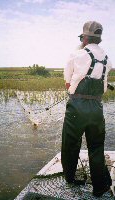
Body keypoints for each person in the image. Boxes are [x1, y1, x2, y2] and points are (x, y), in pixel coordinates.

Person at [61, 21, 112, 197]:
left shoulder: (76, 55)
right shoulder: (107, 59)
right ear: (98, 39)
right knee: (96, 147)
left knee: (70, 145)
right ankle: (99, 187)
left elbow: (68, 82)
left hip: (76, 108)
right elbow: (104, 89)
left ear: (85, 37)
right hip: (97, 109)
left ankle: (69, 178)